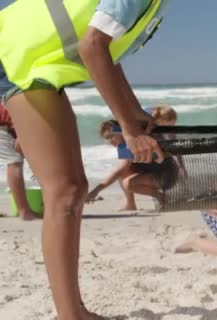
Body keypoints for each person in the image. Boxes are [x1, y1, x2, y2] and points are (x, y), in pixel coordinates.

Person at [0, 1, 170, 318]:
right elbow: (91, 46)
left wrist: (132, 113)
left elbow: (108, 53)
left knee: (72, 189)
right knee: (63, 191)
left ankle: (73, 311)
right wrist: (130, 132)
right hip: (12, 58)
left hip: (29, 63)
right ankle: (71, 316)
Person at [87, 105, 179, 210]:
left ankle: (162, 197)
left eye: (111, 136)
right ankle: (130, 204)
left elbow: (119, 170)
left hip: (166, 177)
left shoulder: (132, 142)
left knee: (127, 183)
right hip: (161, 173)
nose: (109, 141)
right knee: (124, 173)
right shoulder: (123, 144)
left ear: (121, 132)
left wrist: (96, 191)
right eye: (106, 138)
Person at [0, 102, 37, 220]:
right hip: (4, 127)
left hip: (6, 124)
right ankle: (24, 212)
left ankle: (24, 210)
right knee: (15, 162)